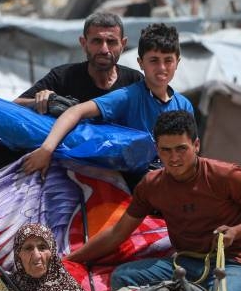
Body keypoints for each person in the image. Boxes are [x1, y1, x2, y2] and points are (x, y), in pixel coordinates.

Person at [66, 110, 241, 291]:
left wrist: (236, 232)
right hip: (185, 264)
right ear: (157, 149)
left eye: (181, 148)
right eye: (166, 150)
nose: (173, 158)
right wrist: (69, 261)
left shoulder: (226, 175)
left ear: (196, 145)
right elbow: (117, 233)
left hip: (234, 264)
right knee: (122, 276)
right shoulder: (151, 185)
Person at [21, 22, 194, 177]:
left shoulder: (183, 105)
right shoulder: (129, 96)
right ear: (141, 63)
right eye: (154, 60)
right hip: (131, 184)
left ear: (177, 62)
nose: (162, 67)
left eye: (168, 60)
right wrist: (46, 150)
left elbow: (190, 150)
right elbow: (76, 111)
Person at [13, 11, 142, 115]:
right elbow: (14, 105)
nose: (104, 49)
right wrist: (41, 101)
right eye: (97, 41)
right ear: (84, 43)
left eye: (111, 42)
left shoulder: (135, 82)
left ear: (123, 44)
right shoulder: (63, 76)